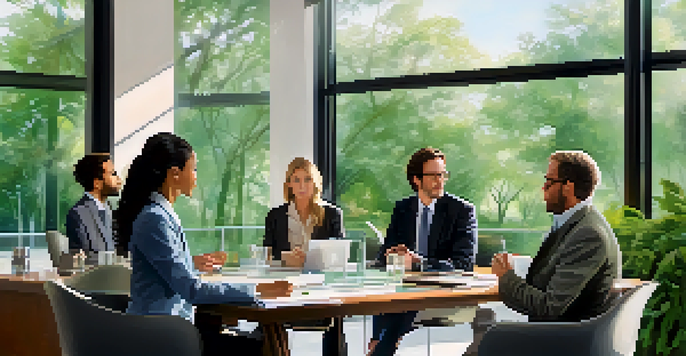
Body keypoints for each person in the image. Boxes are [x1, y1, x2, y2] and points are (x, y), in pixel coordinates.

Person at [117, 132, 289, 356]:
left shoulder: (159, 213)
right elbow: (191, 289)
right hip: (161, 335)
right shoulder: (155, 218)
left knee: (268, 338)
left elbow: (165, 271)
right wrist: (256, 289)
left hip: (168, 327)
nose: (196, 176)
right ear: (175, 174)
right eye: (194, 168)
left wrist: (191, 262)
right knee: (264, 346)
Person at [480, 150, 622, 355]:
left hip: (569, 343)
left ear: (568, 187)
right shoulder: (576, 223)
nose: (543, 187)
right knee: (481, 335)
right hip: (566, 335)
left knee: (490, 337)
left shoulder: (588, 234)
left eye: (549, 181)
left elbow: (549, 308)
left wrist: (507, 276)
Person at [368, 147, 480, 356]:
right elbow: (383, 257)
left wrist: (418, 262)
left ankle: (378, 347)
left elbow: (463, 264)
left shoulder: (462, 211)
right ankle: (379, 342)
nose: (440, 180)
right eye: (434, 175)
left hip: (442, 290)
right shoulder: (402, 209)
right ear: (416, 180)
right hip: (405, 289)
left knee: (405, 301)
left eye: (443, 174)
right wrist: (392, 255)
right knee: (393, 295)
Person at [263, 157, 346, 354]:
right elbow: (267, 256)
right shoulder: (275, 216)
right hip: (285, 284)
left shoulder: (332, 214)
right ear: (289, 184)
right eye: (297, 179)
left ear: (315, 182)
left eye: (307, 179)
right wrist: (286, 258)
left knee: (337, 314)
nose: (302, 185)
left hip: (321, 285)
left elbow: (339, 255)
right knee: (265, 315)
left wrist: (310, 259)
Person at [66, 153, 122, 264]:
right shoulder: (79, 213)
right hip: (96, 278)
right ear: (97, 183)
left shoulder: (108, 209)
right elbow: (85, 258)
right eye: (113, 174)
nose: (119, 179)